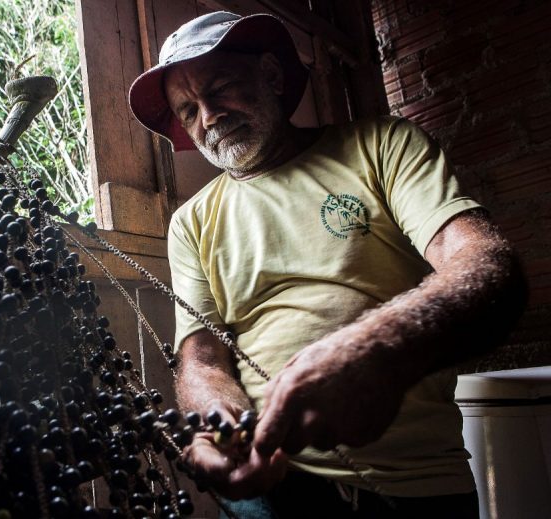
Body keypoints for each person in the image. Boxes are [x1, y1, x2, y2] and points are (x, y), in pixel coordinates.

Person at [128, 11, 527, 519]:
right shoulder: (191, 222)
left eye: (221, 88)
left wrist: (376, 348)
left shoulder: (381, 146)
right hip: (272, 488)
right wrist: (219, 423)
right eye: (188, 110)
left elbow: (488, 265)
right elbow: (202, 359)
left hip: (415, 483)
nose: (208, 117)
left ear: (271, 75)